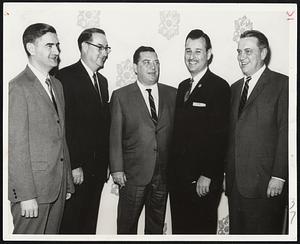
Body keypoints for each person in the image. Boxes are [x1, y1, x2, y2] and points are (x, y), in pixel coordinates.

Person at [8, 23, 74, 234]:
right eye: (49, 45)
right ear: (31, 48)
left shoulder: (57, 85)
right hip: (33, 192)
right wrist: (26, 195)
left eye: (57, 45)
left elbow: (60, 136)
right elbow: (15, 147)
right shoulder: (18, 87)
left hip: (58, 186)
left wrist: (68, 183)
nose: (56, 51)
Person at [225, 30, 288, 234]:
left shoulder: (282, 84)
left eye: (248, 51)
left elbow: (285, 131)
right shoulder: (234, 89)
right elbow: (231, 135)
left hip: (266, 185)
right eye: (239, 51)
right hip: (236, 186)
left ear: (263, 53)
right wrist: (227, 173)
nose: (241, 57)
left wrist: (279, 176)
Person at [168, 29, 230, 234]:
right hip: (179, 181)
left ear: (209, 54)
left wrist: (208, 174)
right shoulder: (183, 86)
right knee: (180, 232)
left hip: (202, 182)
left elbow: (220, 136)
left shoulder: (219, 87)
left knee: (200, 231)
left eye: (198, 51)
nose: (191, 57)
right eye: (188, 51)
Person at [110, 46, 176, 234]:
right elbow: (115, 136)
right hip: (133, 175)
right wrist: (117, 168)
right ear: (135, 67)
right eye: (146, 62)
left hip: (163, 175)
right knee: (126, 225)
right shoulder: (121, 96)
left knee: (156, 225)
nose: (153, 67)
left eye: (156, 62)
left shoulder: (173, 94)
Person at [56, 28, 111, 234]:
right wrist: (74, 164)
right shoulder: (64, 77)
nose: (104, 52)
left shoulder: (103, 82)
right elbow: (64, 125)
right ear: (84, 47)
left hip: (97, 169)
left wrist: (107, 162)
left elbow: (103, 125)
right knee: (71, 224)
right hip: (76, 170)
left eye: (106, 48)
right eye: (100, 47)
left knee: (89, 225)